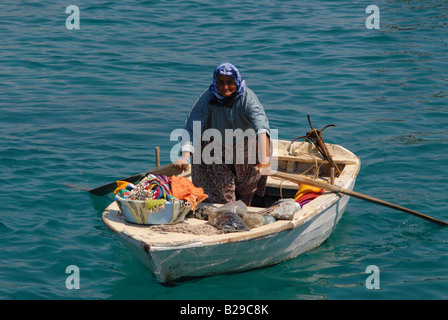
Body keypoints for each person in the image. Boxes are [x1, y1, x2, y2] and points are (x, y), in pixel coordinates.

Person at [173, 62, 271, 205]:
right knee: (222, 192)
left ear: (237, 82)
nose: (225, 87)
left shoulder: (248, 99)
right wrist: (185, 157)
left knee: (249, 186)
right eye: (221, 83)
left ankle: (247, 204)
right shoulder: (207, 100)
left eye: (230, 82)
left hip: (244, 145)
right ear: (215, 83)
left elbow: (261, 129)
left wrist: (265, 161)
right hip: (214, 148)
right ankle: (225, 211)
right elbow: (191, 128)